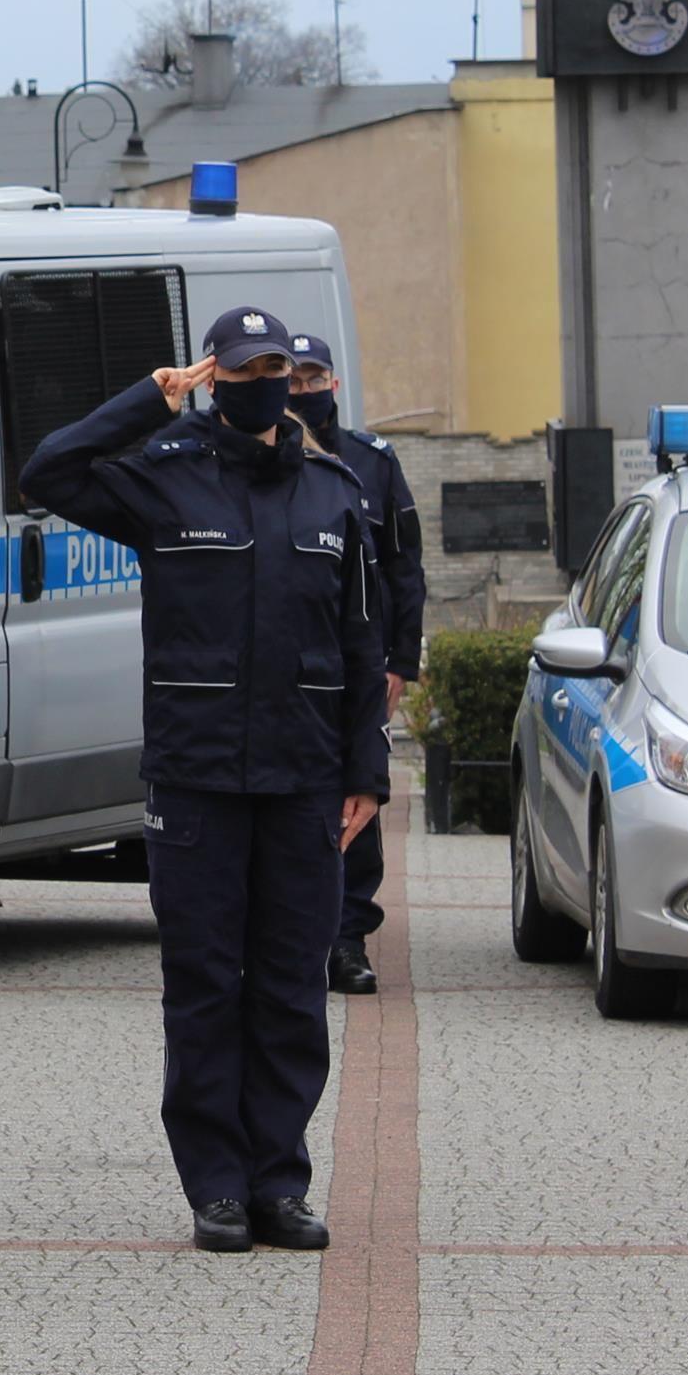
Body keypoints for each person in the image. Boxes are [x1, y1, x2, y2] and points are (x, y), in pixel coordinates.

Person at [20, 305, 390, 1255]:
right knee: (202, 988)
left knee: (289, 988)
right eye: (244, 366)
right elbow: (48, 470)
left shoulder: (334, 493)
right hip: (196, 781)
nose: (265, 378)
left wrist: (368, 772)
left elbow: (360, 642)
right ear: (216, 376)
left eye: (277, 364)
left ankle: (279, 1180)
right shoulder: (164, 482)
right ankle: (216, 1185)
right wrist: (152, 396)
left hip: (305, 780)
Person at [287, 333, 420, 997]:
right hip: (297, 667)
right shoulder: (269, 459)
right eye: (294, 380)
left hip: (363, 671)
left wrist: (403, 661)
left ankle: (347, 938)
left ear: (334, 385)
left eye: (314, 379)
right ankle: (293, 938)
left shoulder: (373, 462)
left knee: (360, 804)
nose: (303, 391)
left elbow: (404, 568)